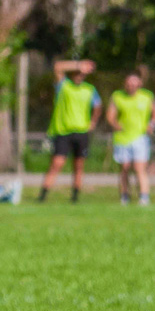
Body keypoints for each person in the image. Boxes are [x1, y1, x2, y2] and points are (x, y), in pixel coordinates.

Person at [40, 59, 100, 203]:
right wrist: (80, 65)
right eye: (77, 73)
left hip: (81, 132)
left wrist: (93, 122)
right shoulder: (64, 86)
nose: (80, 76)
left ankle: (75, 196)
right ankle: (43, 195)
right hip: (63, 131)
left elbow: (98, 106)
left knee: (79, 165)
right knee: (57, 163)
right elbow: (57, 66)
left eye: (82, 74)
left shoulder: (89, 89)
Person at [108, 70, 155, 206]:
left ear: (140, 83)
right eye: (129, 83)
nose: (131, 86)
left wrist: (152, 125)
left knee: (139, 168)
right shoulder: (118, 96)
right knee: (124, 168)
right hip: (122, 138)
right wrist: (115, 124)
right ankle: (125, 196)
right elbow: (110, 115)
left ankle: (144, 196)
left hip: (140, 137)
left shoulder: (147, 96)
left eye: (134, 83)